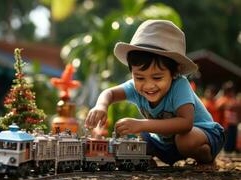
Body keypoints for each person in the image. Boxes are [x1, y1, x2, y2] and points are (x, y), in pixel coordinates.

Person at [84, 19, 225, 166]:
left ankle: (205, 156)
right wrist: (101, 106)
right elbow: (110, 93)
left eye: (157, 77)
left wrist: (142, 124)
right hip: (167, 143)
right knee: (137, 141)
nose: (148, 85)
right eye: (139, 77)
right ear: (132, 72)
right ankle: (146, 160)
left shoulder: (180, 85)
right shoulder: (135, 87)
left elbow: (186, 123)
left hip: (203, 134)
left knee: (184, 140)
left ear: (174, 72)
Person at [216, 81, 238, 152]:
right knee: (226, 144)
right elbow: (219, 106)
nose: (231, 92)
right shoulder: (223, 99)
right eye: (229, 90)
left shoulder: (234, 99)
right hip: (226, 125)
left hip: (233, 124)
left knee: (232, 143)